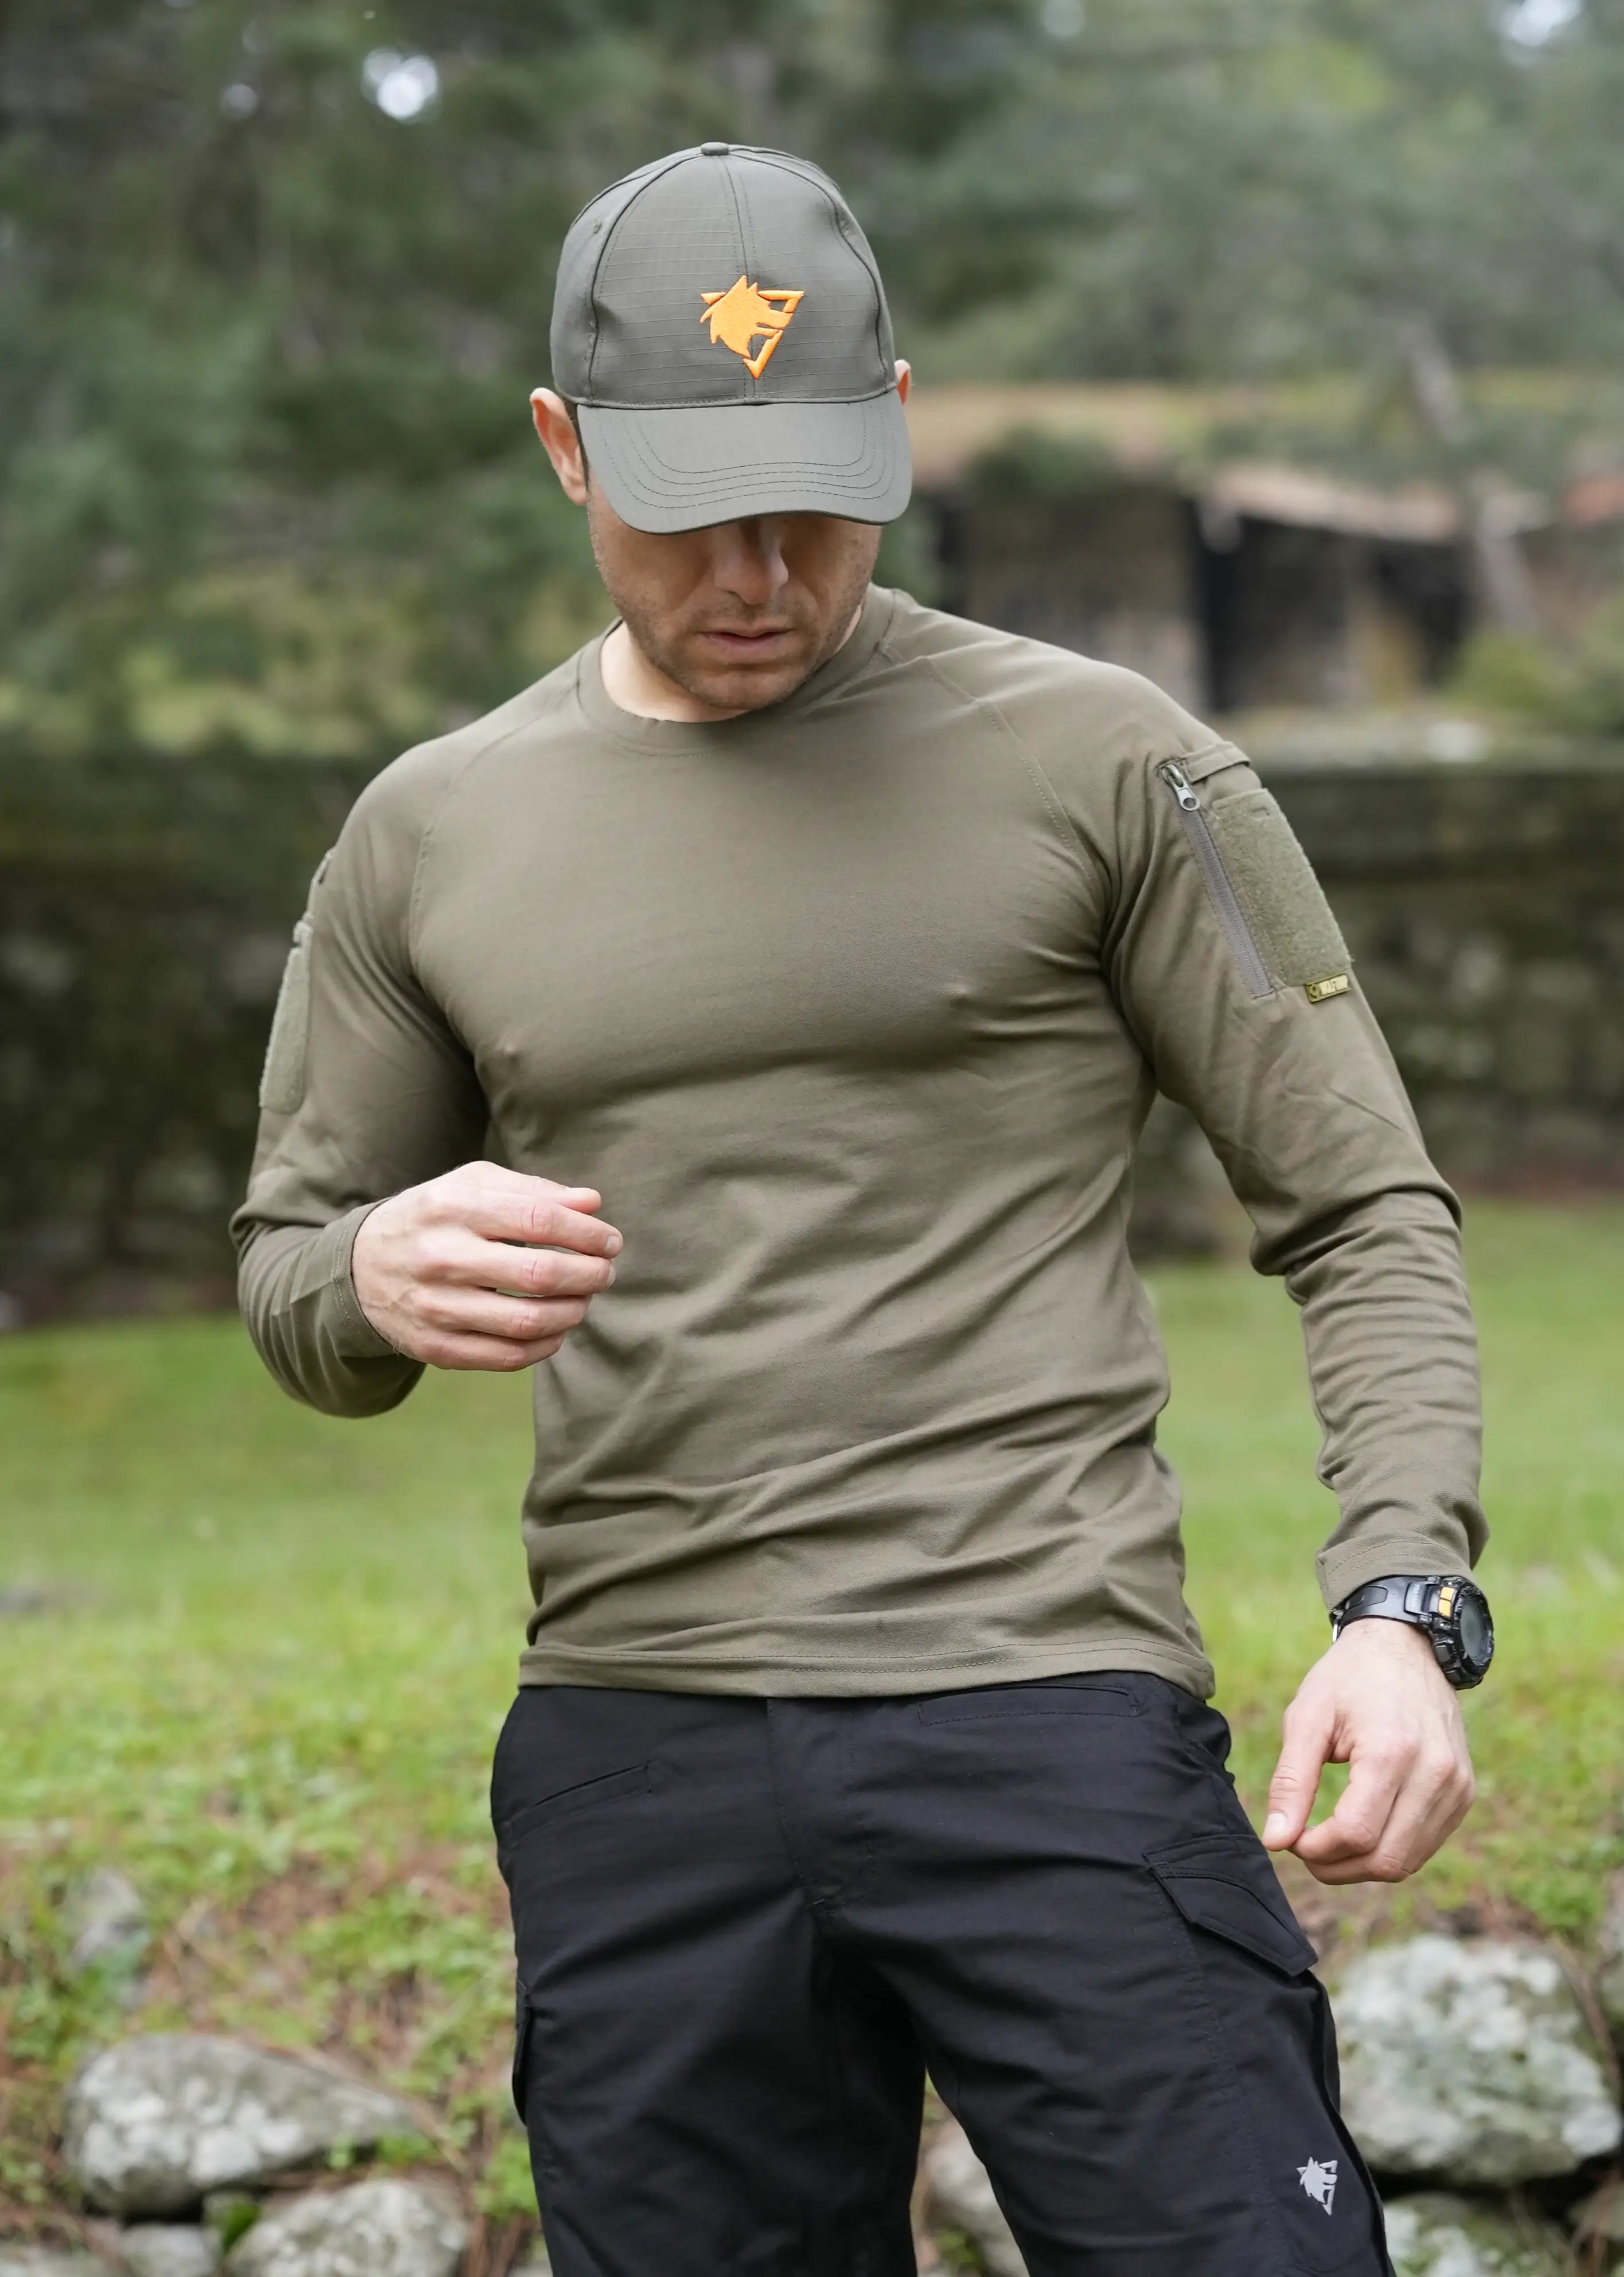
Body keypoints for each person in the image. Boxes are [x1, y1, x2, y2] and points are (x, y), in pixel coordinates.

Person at [233, 142, 1490, 2277]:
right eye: (688, 508)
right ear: (563, 448)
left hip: (1049, 1708)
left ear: (897, 420)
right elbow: (288, 1268)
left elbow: (1364, 1203)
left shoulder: (1118, 763)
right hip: (637, 1741)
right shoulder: (425, 834)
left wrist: (1403, 1604)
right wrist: (367, 1274)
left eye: (817, 498)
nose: (758, 573)